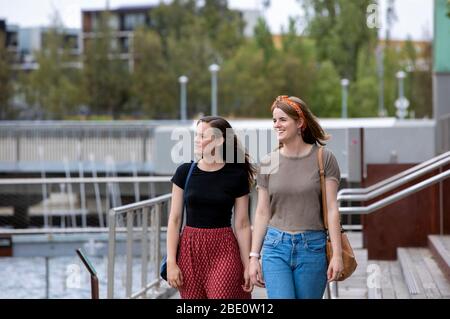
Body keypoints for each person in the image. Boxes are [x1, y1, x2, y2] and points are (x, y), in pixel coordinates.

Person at [248, 95, 344, 299]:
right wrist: (254, 257)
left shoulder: (324, 158)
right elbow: (262, 212)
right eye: (274, 120)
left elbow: (332, 208)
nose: (277, 125)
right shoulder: (268, 162)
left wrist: (337, 254)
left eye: (282, 119)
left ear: (300, 122)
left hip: (313, 247)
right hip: (275, 247)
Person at [166, 116, 256, 299]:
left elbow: (243, 224)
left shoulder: (236, 175)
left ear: (219, 140)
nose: (196, 140)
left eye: (202, 136)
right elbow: (175, 220)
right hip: (189, 250)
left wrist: (247, 265)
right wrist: (171, 262)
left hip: (223, 249)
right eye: (196, 136)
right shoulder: (184, 172)